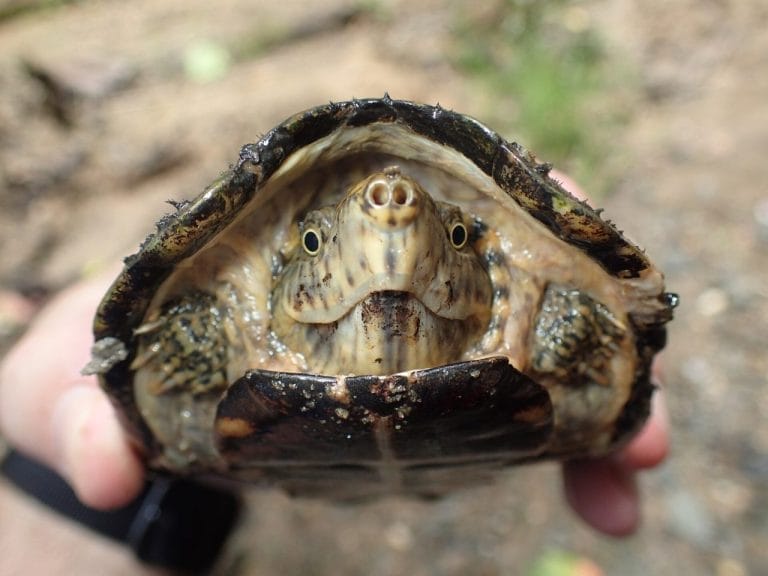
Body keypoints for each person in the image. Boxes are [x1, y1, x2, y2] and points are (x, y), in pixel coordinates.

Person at [0, 177, 669, 569]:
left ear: (484, 252)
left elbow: (610, 310)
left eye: (454, 238)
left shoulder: (535, 298)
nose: (393, 254)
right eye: (317, 243)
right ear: (289, 258)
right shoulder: (225, 299)